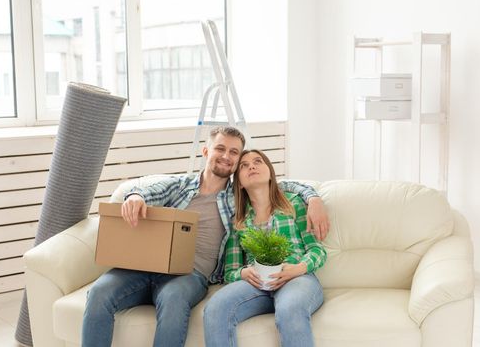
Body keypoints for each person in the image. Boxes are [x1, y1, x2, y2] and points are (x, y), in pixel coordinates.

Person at [82, 127, 329, 347]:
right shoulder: (188, 189)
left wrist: (314, 197)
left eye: (234, 153)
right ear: (205, 151)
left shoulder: (246, 201)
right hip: (142, 266)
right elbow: (151, 190)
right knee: (99, 293)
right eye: (220, 148)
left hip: (191, 275)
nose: (227, 156)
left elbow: (278, 186)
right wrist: (135, 195)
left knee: (174, 298)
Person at [203, 149, 327, 347]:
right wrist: (244, 273)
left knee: (289, 308)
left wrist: (299, 268)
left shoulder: (293, 203)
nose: (251, 166)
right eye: (244, 165)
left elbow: (317, 250)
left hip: (297, 278)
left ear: (270, 173)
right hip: (257, 286)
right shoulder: (239, 222)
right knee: (215, 308)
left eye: (258, 161)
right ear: (240, 184)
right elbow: (230, 272)